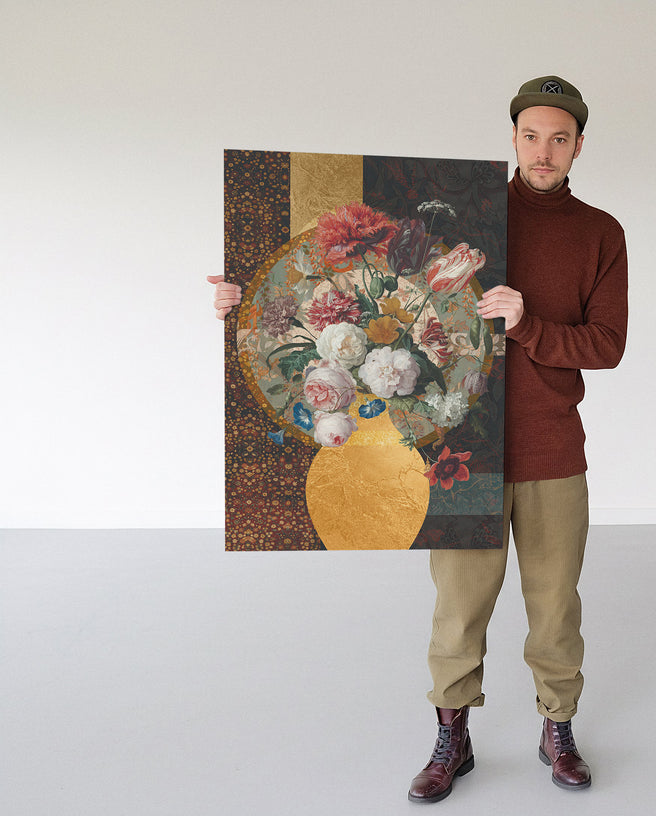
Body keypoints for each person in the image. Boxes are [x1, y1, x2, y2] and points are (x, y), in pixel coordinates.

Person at [209, 75, 628, 801]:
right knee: (458, 608)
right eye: (532, 135)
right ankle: (451, 736)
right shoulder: (457, 216)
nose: (544, 150)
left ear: (579, 146)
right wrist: (245, 299)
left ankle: (557, 727)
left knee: (557, 603)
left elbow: (607, 345)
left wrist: (528, 325)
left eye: (559, 139)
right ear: (513, 138)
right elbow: (349, 278)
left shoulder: (601, 232)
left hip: (553, 448)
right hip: (462, 450)